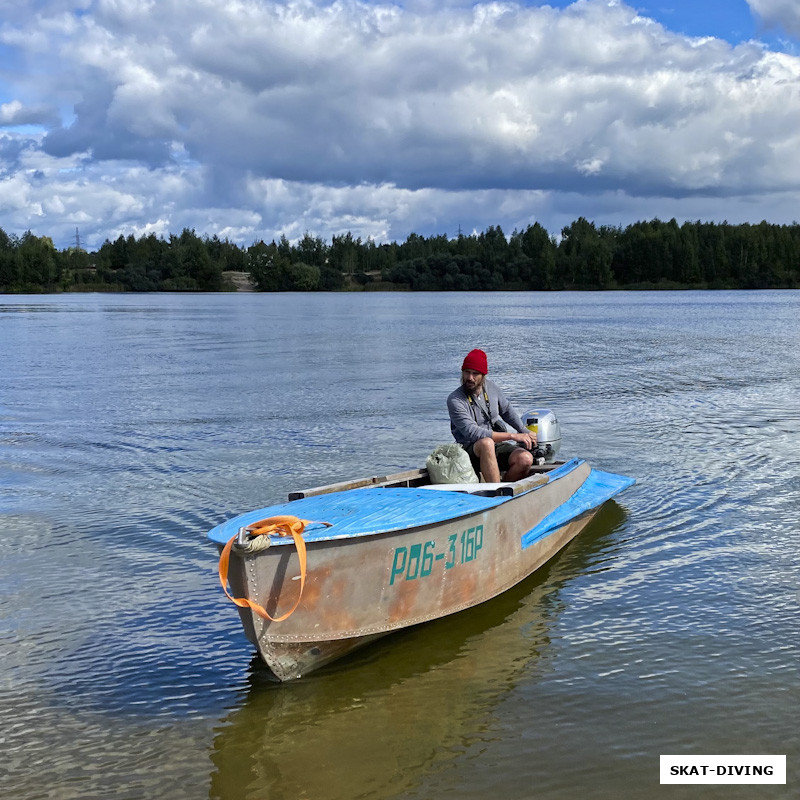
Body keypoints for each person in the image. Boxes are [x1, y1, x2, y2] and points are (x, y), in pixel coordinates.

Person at [447, 348, 536, 482]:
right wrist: (513, 436)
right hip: (467, 449)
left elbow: (507, 411)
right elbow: (473, 433)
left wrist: (525, 432)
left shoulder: (491, 388)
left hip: (493, 445)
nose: (470, 378)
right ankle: (496, 491)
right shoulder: (455, 400)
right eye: (466, 372)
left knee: (525, 459)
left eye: (475, 373)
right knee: (486, 443)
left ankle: (505, 490)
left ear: (483, 375)